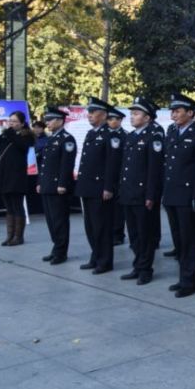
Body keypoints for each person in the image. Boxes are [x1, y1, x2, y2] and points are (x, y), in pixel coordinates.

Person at [163, 93, 195, 298]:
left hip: (188, 196)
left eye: (178, 110)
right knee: (179, 240)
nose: (174, 114)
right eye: (172, 110)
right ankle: (183, 277)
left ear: (190, 113)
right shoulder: (172, 131)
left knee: (189, 240)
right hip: (172, 194)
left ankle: (190, 281)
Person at [117, 97, 164, 286]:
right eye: (132, 113)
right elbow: (125, 166)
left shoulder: (154, 136)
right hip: (128, 193)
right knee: (134, 234)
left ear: (147, 118)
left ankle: (146, 269)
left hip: (143, 194)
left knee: (146, 234)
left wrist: (151, 195)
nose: (132, 117)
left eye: (136, 114)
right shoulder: (131, 136)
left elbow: (155, 169)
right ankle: (137, 265)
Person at [74, 97, 122, 273]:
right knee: (90, 226)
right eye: (89, 113)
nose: (90, 116)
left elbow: (112, 164)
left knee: (102, 227)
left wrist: (109, 187)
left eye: (93, 113)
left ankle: (105, 261)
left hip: (100, 188)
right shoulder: (91, 133)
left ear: (103, 115)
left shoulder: (111, 135)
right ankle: (95, 257)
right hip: (87, 187)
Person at [0, 110, 35, 247]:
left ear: (22, 123)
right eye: (10, 120)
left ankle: (19, 237)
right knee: (9, 207)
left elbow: (21, 145)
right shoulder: (7, 135)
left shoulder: (27, 136)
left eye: (14, 121)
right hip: (3, 176)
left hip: (16, 177)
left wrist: (9, 131)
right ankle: (10, 236)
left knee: (17, 206)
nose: (11, 123)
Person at [37, 106, 76, 264]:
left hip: (58, 187)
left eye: (50, 119)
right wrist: (40, 181)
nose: (47, 122)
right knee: (51, 220)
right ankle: (55, 248)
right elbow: (45, 164)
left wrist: (62, 184)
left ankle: (61, 252)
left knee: (59, 220)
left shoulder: (67, 139)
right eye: (46, 119)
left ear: (60, 121)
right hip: (47, 185)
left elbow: (67, 164)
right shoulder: (51, 138)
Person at [107, 107, 127, 246]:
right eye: (109, 119)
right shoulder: (105, 135)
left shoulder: (125, 135)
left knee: (118, 209)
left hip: (120, 177)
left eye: (115, 119)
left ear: (120, 120)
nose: (112, 121)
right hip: (106, 177)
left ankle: (118, 234)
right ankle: (110, 233)